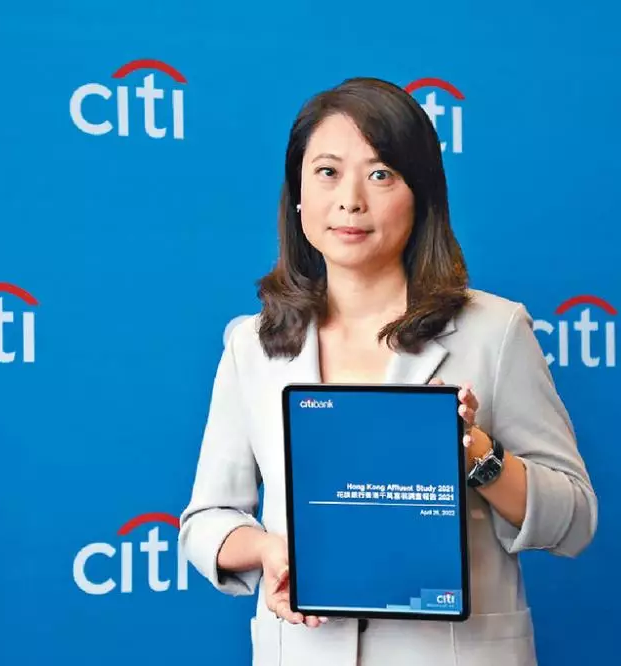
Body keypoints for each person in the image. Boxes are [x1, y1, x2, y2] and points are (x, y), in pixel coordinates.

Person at [179, 76, 597, 666]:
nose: (350, 199)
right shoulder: (253, 344)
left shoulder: (495, 331)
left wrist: (476, 453)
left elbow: (575, 520)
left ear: (421, 195)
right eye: (327, 172)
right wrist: (268, 552)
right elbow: (205, 521)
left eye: (380, 174)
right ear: (297, 194)